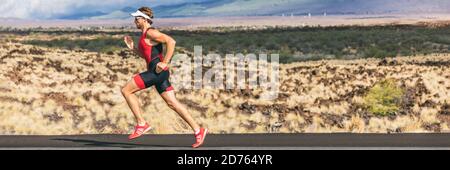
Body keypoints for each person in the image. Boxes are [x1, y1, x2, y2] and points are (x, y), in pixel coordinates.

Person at [122, 7, 207, 148]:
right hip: (158, 73)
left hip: (157, 72)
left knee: (126, 90)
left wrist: (165, 62)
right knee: (173, 103)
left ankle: (141, 123)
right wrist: (132, 48)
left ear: (144, 19)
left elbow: (171, 41)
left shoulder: (151, 32)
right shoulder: (144, 36)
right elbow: (146, 56)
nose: (134, 21)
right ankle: (199, 130)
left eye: (137, 18)